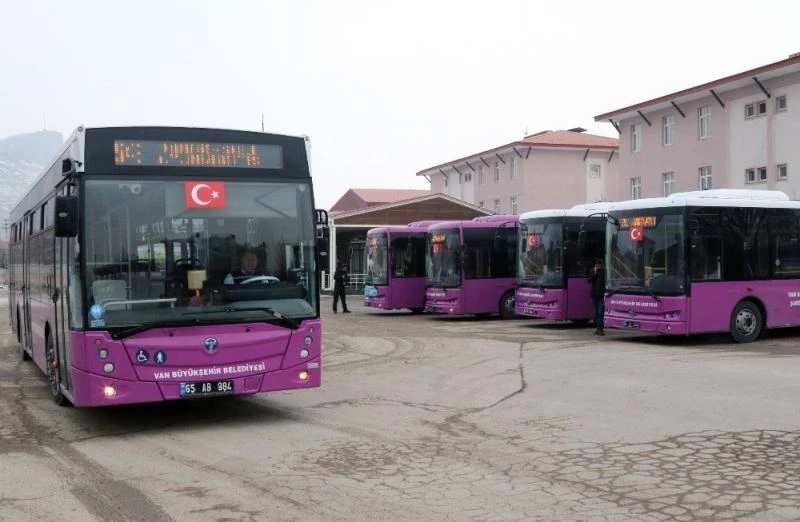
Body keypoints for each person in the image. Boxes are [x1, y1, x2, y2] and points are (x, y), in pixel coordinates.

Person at [588, 258, 606, 335]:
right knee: (596, 312)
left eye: (600, 266)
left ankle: (600, 329)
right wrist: (595, 272)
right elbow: (589, 280)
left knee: (600, 311)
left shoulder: (604, 272)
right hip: (594, 295)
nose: (598, 267)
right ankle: (598, 328)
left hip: (602, 294)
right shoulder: (593, 271)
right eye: (597, 266)